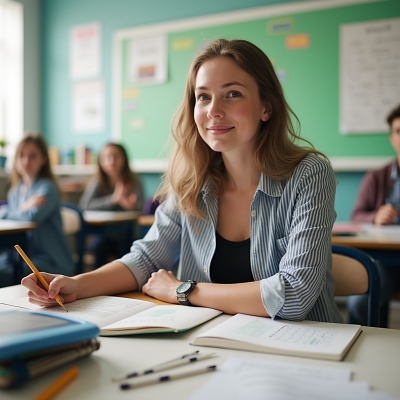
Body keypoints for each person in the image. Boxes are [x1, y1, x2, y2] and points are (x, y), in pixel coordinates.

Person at [22, 39, 342, 323]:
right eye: (203, 97)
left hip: (306, 348)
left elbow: (295, 295)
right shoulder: (193, 181)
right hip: (215, 343)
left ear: (266, 108)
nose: (214, 110)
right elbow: (146, 259)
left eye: (233, 93)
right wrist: (77, 284)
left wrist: (183, 291)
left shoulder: (309, 174)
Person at [348, 104, 400, 325]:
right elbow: (356, 215)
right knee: (360, 302)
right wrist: (375, 217)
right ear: (391, 137)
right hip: (388, 263)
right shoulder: (377, 177)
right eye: (398, 131)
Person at [0, 134, 74, 286]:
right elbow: (5, 215)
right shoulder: (14, 192)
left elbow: (32, 216)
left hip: (49, 260)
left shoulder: (47, 188)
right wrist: (24, 207)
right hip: (21, 256)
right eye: (22, 155)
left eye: (33, 156)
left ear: (44, 159)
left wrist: (17, 211)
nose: (26, 161)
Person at [78, 143, 144, 268]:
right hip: (104, 235)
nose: (111, 161)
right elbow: (84, 205)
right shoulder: (97, 181)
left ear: (124, 159)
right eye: (106, 157)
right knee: (97, 246)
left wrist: (131, 207)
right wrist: (113, 200)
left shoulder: (134, 180)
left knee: (127, 249)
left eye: (115, 156)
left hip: (127, 234)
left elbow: (141, 209)